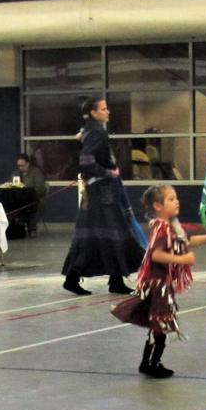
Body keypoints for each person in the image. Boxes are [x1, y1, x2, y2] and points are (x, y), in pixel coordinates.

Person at [111, 184, 206, 378]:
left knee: (157, 326)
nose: (177, 202)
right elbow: (156, 255)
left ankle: (148, 362)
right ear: (158, 206)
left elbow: (186, 241)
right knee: (160, 325)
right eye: (171, 199)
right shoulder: (161, 228)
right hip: (158, 285)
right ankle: (152, 363)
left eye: (176, 198)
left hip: (162, 283)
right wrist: (182, 260)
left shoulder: (172, 227)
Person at [61, 95, 145, 296]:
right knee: (114, 235)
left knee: (100, 237)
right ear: (93, 112)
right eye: (104, 108)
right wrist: (109, 172)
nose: (108, 112)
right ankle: (80, 279)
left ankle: (112, 280)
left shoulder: (91, 131)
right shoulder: (96, 132)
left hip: (98, 194)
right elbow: (87, 162)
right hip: (102, 195)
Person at [15, 152, 46, 235]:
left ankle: (32, 228)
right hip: (19, 199)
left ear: (28, 163)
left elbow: (40, 189)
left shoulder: (36, 173)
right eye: (19, 166)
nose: (20, 168)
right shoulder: (16, 174)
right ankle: (16, 228)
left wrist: (28, 195)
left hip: (35, 199)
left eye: (22, 165)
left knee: (30, 206)